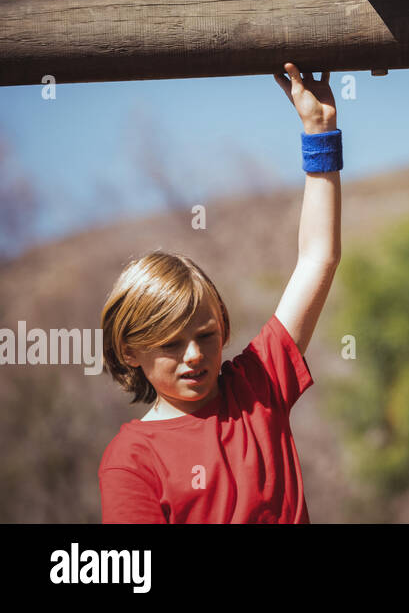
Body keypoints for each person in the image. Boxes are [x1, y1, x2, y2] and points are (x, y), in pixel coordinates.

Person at [97, 63, 342, 522]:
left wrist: (319, 130)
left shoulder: (258, 384)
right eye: (170, 343)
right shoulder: (130, 459)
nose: (194, 355)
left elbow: (318, 258)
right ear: (129, 351)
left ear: (223, 328)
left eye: (206, 335)